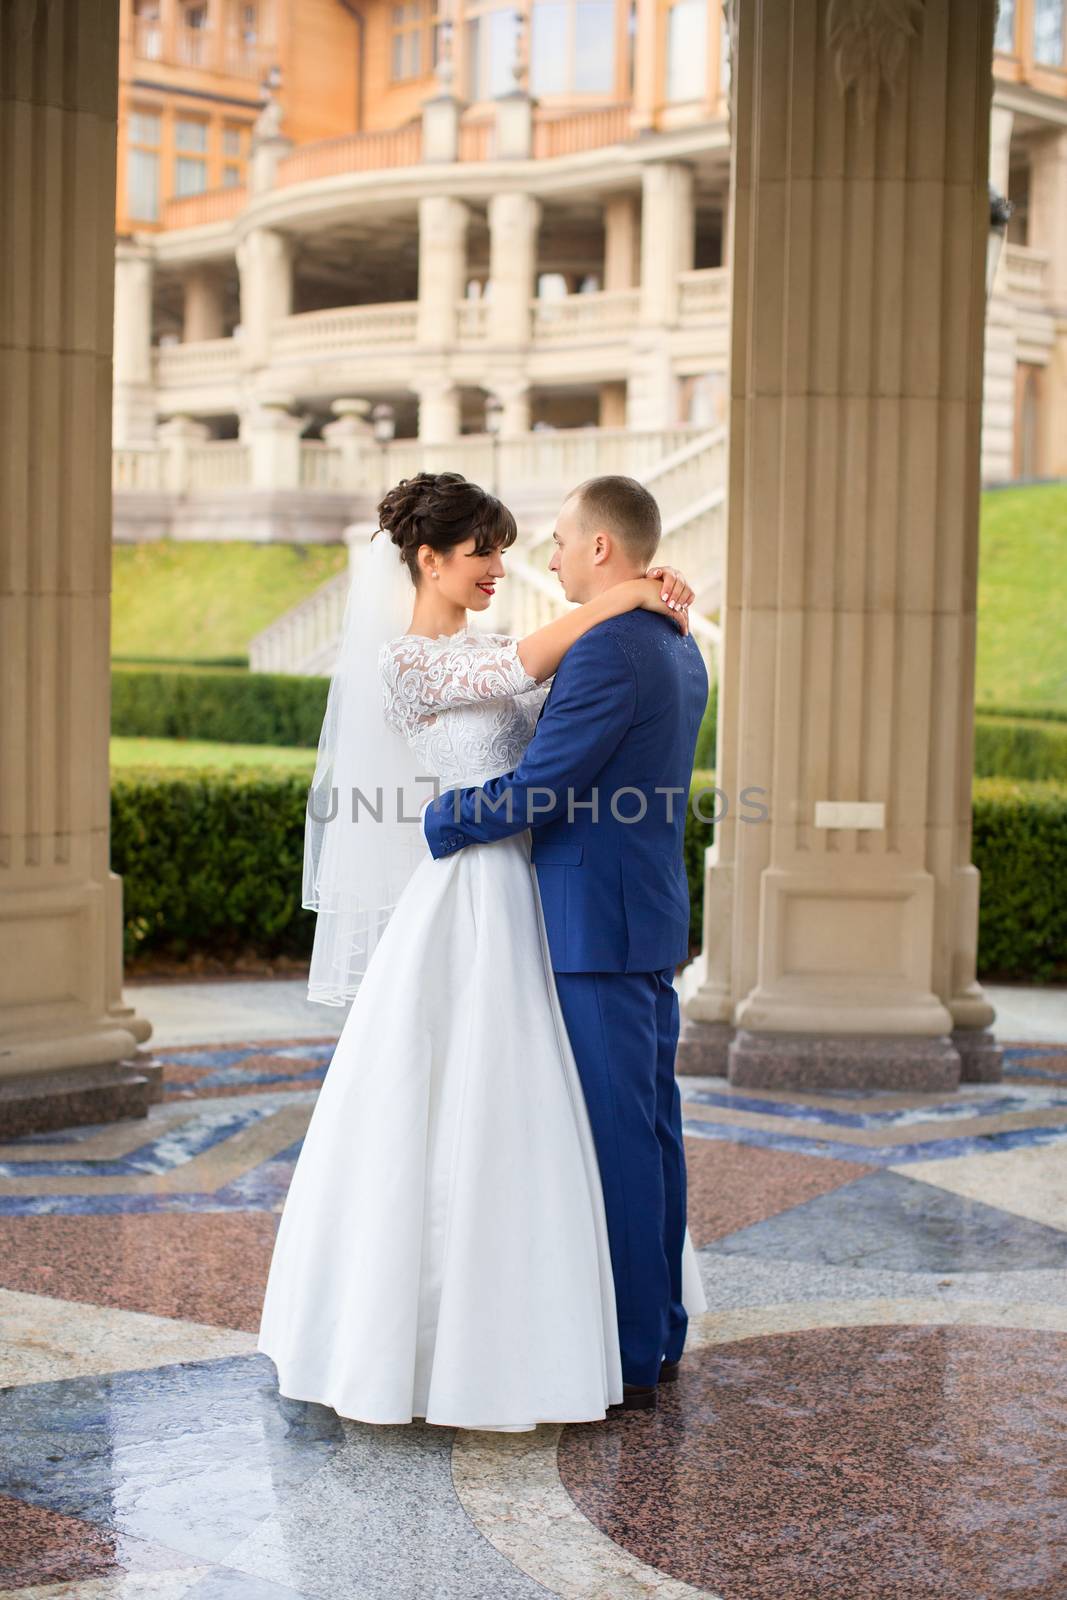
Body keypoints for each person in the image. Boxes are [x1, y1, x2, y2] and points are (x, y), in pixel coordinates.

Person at [257, 470, 706, 1432]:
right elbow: (527, 679)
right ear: (428, 559)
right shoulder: (410, 662)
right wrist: (631, 592)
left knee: (567, 1125)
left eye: (515, 547)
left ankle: (596, 1328)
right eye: (484, 551)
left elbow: (543, 715)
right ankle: (514, 1335)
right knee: (490, 1112)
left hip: (542, 903)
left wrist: (629, 596)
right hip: (474, 894)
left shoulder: (545, 647)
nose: (506, 566)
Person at [422, 473, 710, 1410]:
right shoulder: (675, 639)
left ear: (600, 549)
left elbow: (539, 789)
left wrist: (443, 820)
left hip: (594, 929)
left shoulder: (610, 650)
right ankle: (655, 1330)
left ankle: (629, 1351)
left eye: (554, 541)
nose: (544, 560)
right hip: (643, 916)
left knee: (621, 1143)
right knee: (652, 1132)